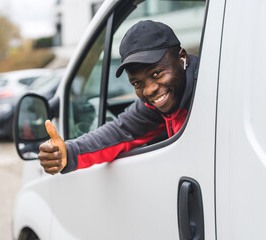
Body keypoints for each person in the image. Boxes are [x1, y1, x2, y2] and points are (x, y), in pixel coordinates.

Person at [38, 20, 199, 175]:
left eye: (157, 73)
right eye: (137, 83)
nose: (149, 90)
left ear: (182, 57)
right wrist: (68, 152)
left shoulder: (211, 91)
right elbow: (121, 132)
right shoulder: (158, 103)